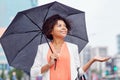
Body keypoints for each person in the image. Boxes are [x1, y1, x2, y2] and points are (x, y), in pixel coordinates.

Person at [30, 14, 110, 80]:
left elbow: (78, 72)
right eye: (59, 26)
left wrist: (93, 60)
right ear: (51, 30)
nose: (64, 28)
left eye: (65, 26)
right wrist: (49, 65)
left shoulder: (73, 48)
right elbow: (33, 72)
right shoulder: (43, 48)